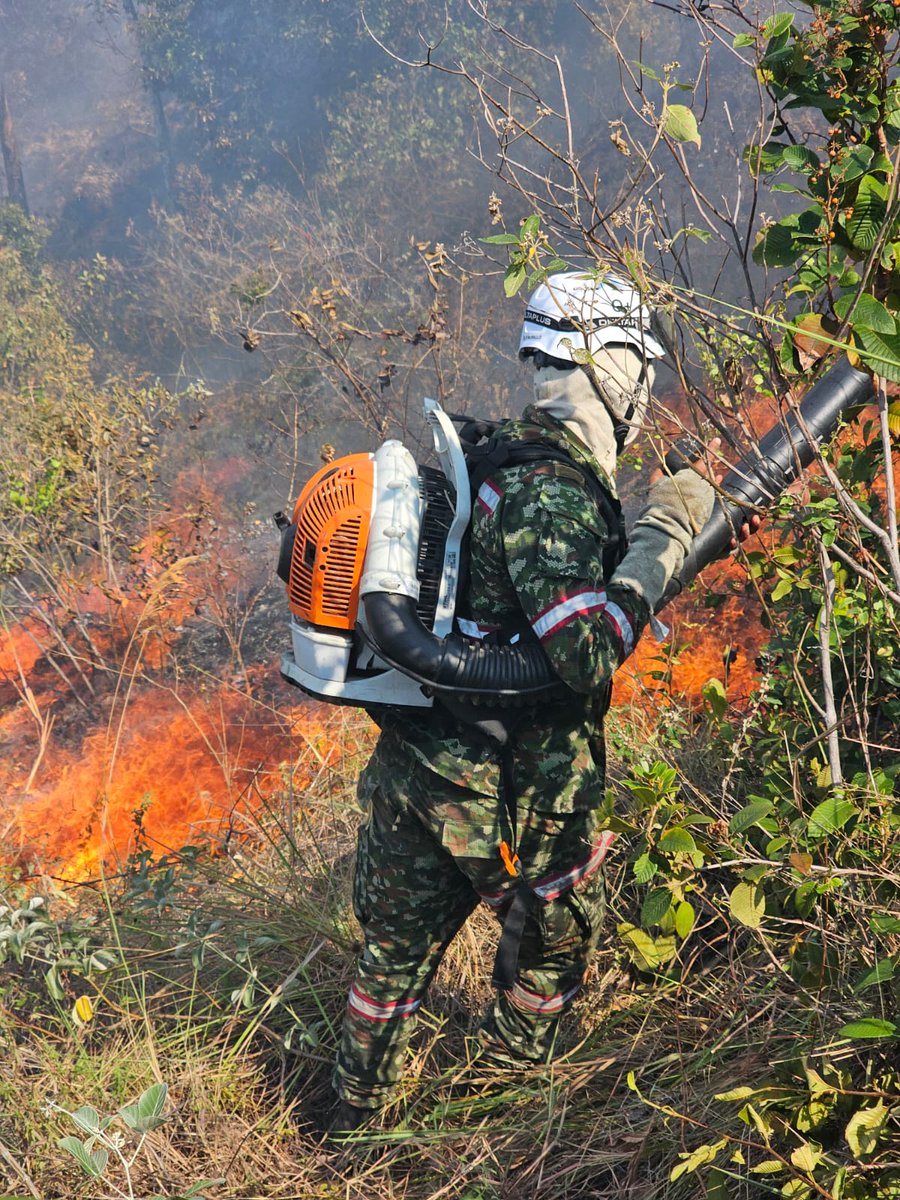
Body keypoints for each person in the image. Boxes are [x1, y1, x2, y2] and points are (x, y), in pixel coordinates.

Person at [330, 270, 718, 1131]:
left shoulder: (497, 452)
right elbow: (583, 653)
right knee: (547, 958)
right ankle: (494, 1130)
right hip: (514, 791)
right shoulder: (553, 488)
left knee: (390, 964)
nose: (644, 389)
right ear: (607, 364)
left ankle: (354, 1128)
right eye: (639, 365)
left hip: (421, 765)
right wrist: (665, 534)